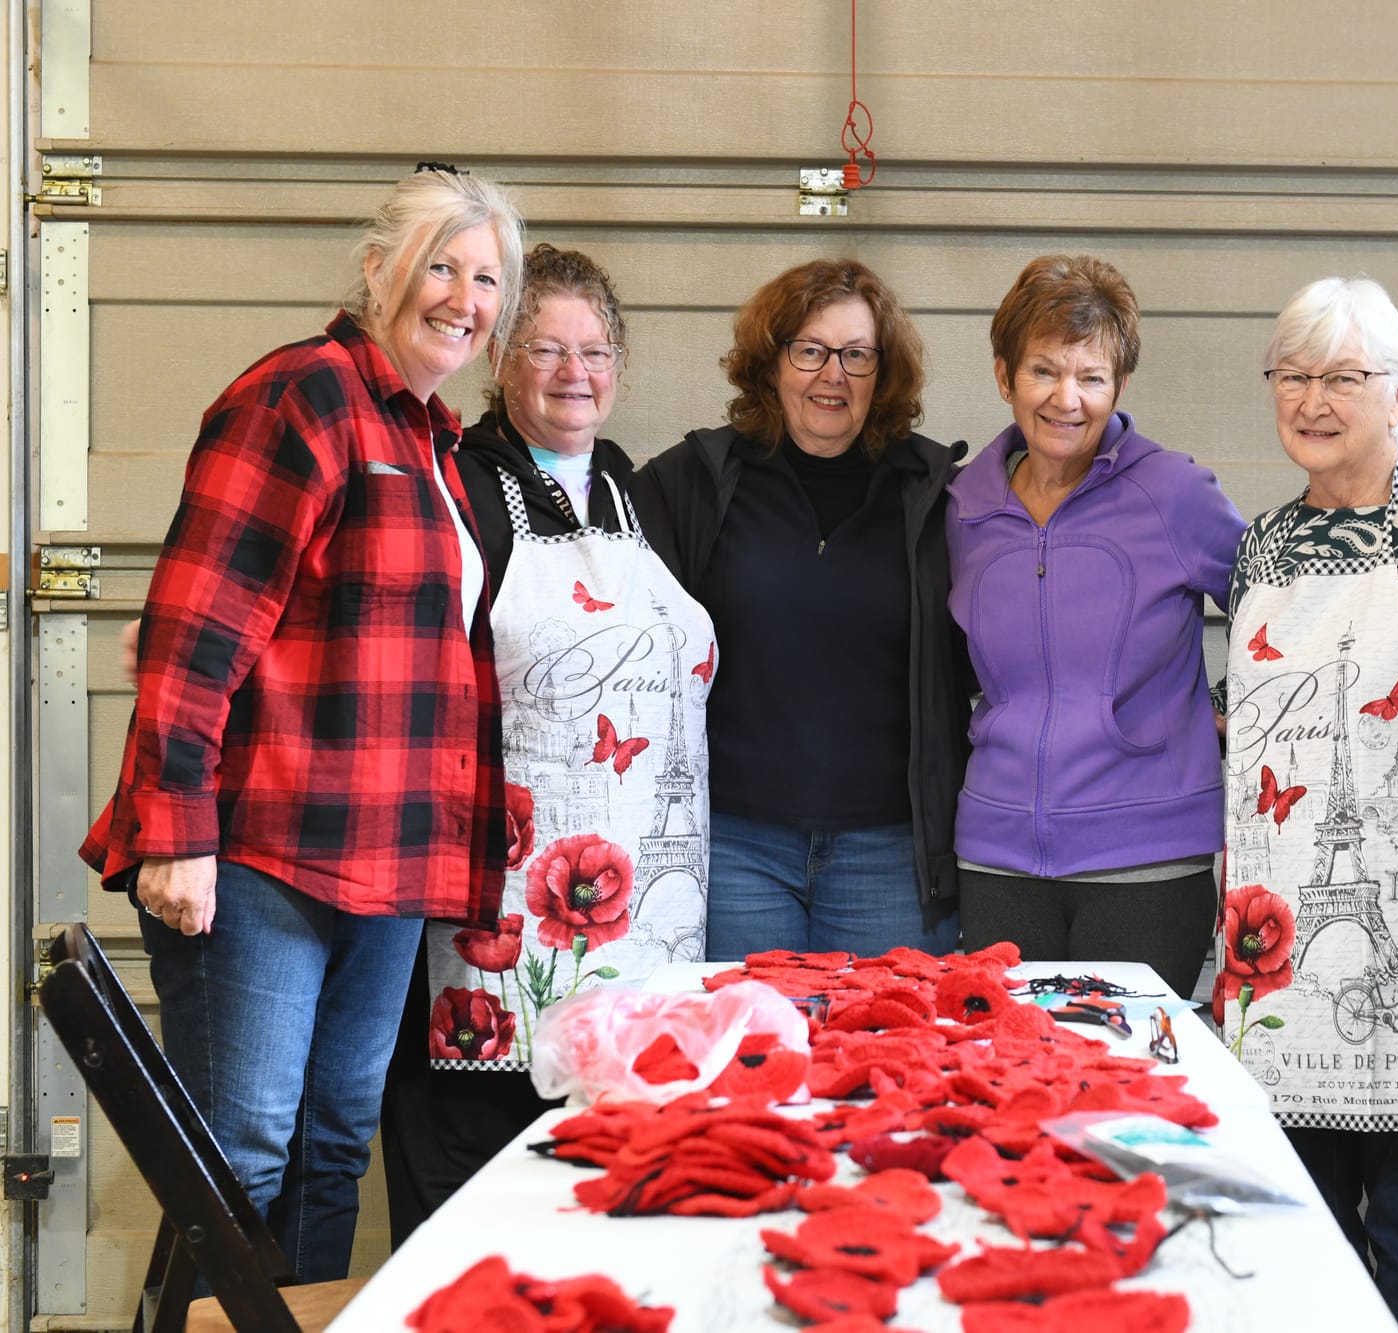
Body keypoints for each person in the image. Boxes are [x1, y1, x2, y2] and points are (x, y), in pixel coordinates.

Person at [79, 167, 523, 1283]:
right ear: (379, 269)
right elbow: (197, 623)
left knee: (332, 1150)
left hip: (384, 866)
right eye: (441, 264)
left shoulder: (432, 438)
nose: (464, 297)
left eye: (487, 279)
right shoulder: (306, 396)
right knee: (239, 1158)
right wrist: (176, 828)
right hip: (264, 851)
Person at [379, 244, 713, 1242]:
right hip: (500, 921)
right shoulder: (460, 490)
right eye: (547, 348)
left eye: (597, 351)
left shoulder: (630, 495)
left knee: (614, 1216)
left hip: (643, 939)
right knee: (481, 1221)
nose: (576, 372)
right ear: (499, 359)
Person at [1218, 276, 1398, 1329]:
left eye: (1342, 376)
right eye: (1292, 375)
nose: (1312, 400)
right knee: (1297, 1218)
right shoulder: (1258, 544)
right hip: (1270, 941)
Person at [629, 258, 965, 959]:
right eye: (809, 350)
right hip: (737, 848)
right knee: (746, 1060)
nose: (831, 374)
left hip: (891, 856)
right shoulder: (690, 484)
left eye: (857, 355)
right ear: (770, 363)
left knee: (886, 1062)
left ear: (885, 372)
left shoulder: (936, 499)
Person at [947, 255, 1242, 997]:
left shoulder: (1173, 493)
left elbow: (1282, 609)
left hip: (1146, 864)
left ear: (1120, 387)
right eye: (1044, 370)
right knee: (1010, 1086)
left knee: (1124, 1088)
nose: (1067, 399)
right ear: (1003, 374)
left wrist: (1229, 707)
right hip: (996, 859)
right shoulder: (962, 507)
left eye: (1092, 377)